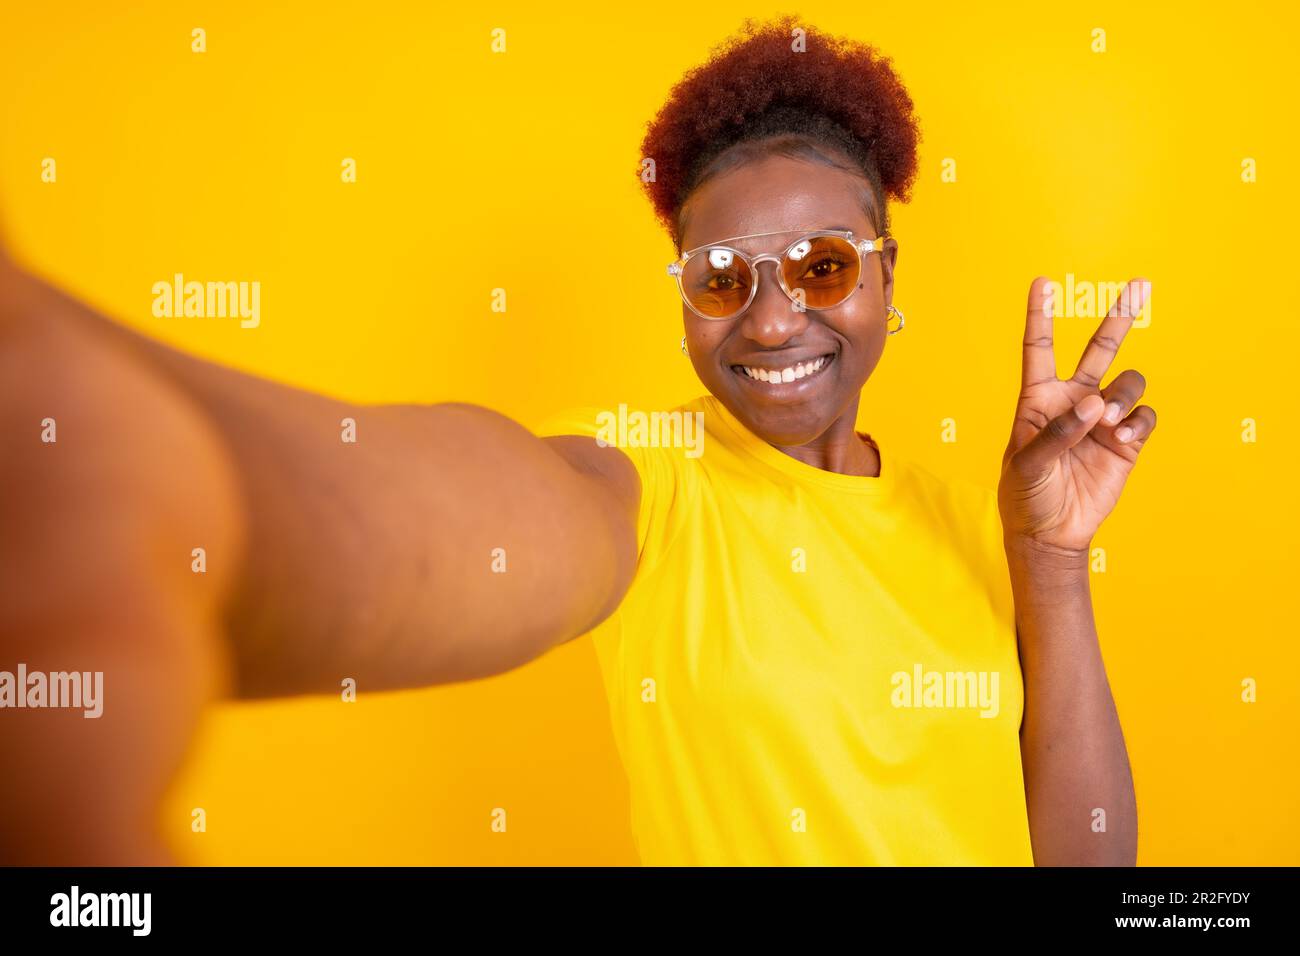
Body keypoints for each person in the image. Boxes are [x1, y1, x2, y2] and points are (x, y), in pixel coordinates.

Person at [0, 15, 1154, 865]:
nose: (769, 316)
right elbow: (510, 506)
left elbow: (1087, 862)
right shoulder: (648, 476)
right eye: (718, 277)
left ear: (886, 276)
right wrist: (170, 467)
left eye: (822, 265)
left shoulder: (972, 523)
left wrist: (1049, 563)